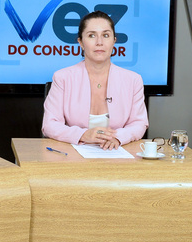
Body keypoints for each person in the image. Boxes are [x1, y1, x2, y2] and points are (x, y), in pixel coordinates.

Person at [42, 10, 148, 149]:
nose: (99, 42)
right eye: (92, 35)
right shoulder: (63, 78)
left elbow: (139, 123)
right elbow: (49, 125)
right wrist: (83, 135)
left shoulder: (133, 80)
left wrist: (118, 137)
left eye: (105, 35)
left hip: (117, 154)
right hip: (72, 155)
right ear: (81, 42)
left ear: (114, 41)